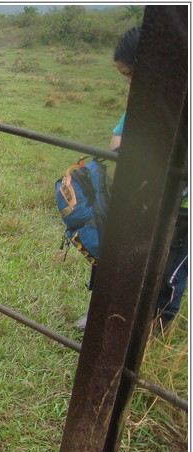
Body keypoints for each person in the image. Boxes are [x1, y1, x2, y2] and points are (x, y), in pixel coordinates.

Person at [74, 26, 188, 333]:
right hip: (140, 196)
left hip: (181, 207)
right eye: (125, 76)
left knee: (169, 271)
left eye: (130, 74)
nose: (129, 84)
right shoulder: (142, 105)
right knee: (118, 255)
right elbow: (118, 137)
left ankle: (153, 329)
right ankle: (102, 313)